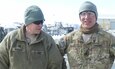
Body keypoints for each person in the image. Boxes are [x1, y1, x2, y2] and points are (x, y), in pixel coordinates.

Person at [57, 1, 115, 69]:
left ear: (96, 16)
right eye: (83, 14)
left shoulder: (109, 39)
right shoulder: (69, 39)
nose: (86, 17)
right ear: (80, 17)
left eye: (90, 14)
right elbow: (54, 56)